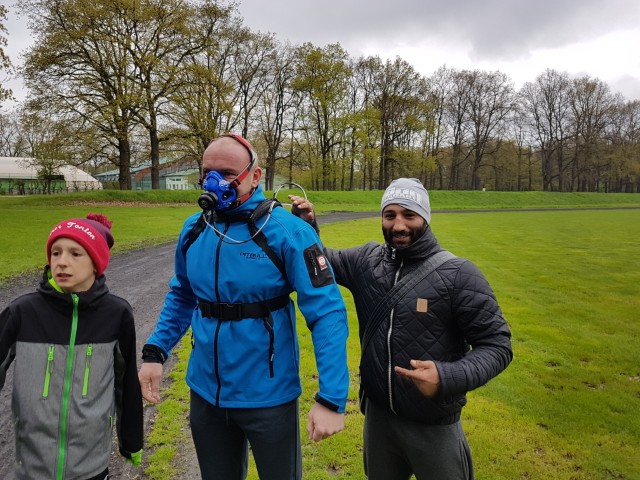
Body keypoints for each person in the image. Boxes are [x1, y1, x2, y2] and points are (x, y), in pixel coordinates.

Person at [138, 133, 349, 480]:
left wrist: (331, 397)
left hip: (269, 396)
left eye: (226, 173)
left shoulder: (288, 232)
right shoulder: (194, 229)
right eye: (207, 172)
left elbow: (326, 311)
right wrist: (155, 351)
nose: (214, 182)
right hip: (206, 393)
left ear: (255, 175)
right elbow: (182, 294)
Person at [290, 177, 513, 480]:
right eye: (390, 215)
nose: (398, 225)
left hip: (434, 426)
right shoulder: (366, 261)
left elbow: (497, 345)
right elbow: (322, 262)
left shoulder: (459, 274)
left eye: (409, 215)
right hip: (378, 421)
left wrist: (447, 376)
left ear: (425, 217)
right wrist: (308, 227)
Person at [0, 213, 143, 480]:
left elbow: (126, 384)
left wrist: (131, 441)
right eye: (56, 253)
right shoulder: (22, 311)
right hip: (30, 466)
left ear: (96, 263)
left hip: (91, 466)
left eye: (75, 254)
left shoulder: (117, 314)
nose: (62, 261)